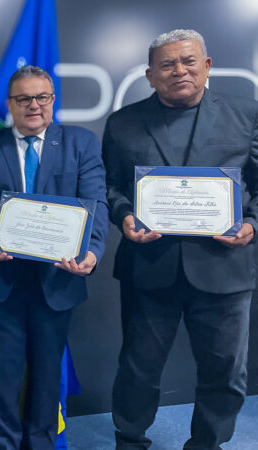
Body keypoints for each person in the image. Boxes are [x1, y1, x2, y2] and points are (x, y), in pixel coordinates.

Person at [104, 29, 258, 449]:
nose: (179, 71)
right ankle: (130, 440)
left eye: (189, 61)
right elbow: (112, 187)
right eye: (167, 64)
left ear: (207, 66)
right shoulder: (123, 122)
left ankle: (207, 443)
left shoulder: (248, 114)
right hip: (149, 267)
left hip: (225, 268)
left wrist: (252, 224)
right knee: (137, 369)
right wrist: (124, 215)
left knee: (225, 372)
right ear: (150, 75)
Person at [0, 65, 108, 449]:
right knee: (0, 380)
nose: (33, 106)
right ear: (9, 104)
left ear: (53, 100)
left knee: (47, 381)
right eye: (23, 98)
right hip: (0, 286)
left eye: (42, 97)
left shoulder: (81, 143)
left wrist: (91, 252)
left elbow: (97, 204)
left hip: (57, 283)